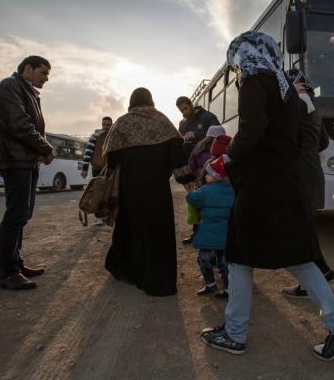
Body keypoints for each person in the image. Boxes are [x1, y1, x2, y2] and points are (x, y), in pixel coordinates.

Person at [201, 31, 334, 362]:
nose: (236, 68)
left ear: (242, 54)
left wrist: (227, 158)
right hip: (286, 182)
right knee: (298, 255)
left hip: (261, 184)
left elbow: (251, 133)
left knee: (239, 254)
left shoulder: (254, 80)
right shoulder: (286, 90)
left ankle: (235, 332)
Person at [103, 87, 193, 296]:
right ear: (151, 101)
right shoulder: (162, 121)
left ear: (132, 102)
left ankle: (129, 270)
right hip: (157, 189)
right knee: (158, 230)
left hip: (130, 189)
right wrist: (186, 180)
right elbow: (177, 156)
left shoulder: (122, 123)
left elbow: (112, 159)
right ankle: (161, 281)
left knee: (131, 227)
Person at [0, 56, 54, 291]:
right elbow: (19, 124)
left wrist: (39, 150)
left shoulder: (27, 91)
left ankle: (15, 264)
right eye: (43, 73)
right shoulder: (9, 86)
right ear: (28, 68)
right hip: (15, 160)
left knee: (22, 214)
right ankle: (7, 272)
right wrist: (45, 147)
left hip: (25, 161)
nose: (46, 78)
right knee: (15, 215)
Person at [281, 68, 334, 299]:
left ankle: (313, 281)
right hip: (311, 172)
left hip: (298, 174)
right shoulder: (312, 105)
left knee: (298, 231)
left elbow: (283, 136)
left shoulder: (297, 104)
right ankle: (323, 270)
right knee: (304, 228)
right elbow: (323, 142)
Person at [186, 156, 234, 298]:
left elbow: (193, 199)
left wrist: (190, 191)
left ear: (216, 177)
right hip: (227, 234)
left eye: (209, 174)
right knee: (225, 263)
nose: (206, 176)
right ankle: (228, 288)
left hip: (209, 233)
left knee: (204, 259)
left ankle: (210, 284)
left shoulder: (206, 191)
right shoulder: (233, 189)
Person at [182, 124, 226, 245]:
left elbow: (191, 164)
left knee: (201, 208)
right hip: (212, 181)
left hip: (207, 182)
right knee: (209, 209)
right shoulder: (222, 147)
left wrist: (194, 179)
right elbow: (191, 164)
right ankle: (201, 233)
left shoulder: (199, 147)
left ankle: (198, 233)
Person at [80, 116, 113, 225]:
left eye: (108, 125)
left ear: (111, 125)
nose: (105, 127)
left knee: (109, 193)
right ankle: (98, 217)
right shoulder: (95, 136)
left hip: (110, 169)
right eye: (104, 124)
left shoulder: (114, 136)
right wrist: (84, 169)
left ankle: (107, 215)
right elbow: (88, 152)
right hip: (97, 168)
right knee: (97, 193)